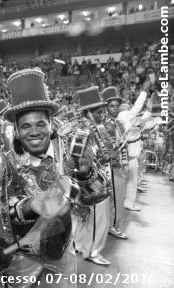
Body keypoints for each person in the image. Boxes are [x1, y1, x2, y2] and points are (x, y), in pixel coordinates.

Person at [0, 67, 77, 288]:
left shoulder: (66, 150)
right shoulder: (5, 160)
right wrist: (31, 205)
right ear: (17, 131)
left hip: (64, 251)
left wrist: (81, 179)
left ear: (51, 125)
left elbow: (86, 189)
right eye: (26, 126)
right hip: (23, 262)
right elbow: (3, 211)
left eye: (40, 123)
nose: (34, 131)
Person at [71, 86, 112, 266]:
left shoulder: (92, 127)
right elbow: (77, 161)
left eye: (102, 111)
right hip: (92, 185)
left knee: (88, 219)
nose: (102, 114)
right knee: (97, 220)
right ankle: (93, 251)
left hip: (95, 181)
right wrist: (90, 180)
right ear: (88, 112)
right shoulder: (83, 130)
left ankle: (82, 247)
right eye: (98, 111)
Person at [100, 86, 129, 240]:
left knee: (118, 197)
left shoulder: (118, 123)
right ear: (106, 107)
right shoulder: (104, 124)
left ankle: (111, 224)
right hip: (110, 166)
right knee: (116, 198)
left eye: (117, 106)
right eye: (112, 106)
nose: (115, 108)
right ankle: (114, 226)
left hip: (119, 164)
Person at [117, 81, 150, 211]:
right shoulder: (124, 115)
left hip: (130, 154)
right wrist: (144, 91)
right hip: (128, 155)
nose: (127, 106)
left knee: (129, 181)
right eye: (125, 105)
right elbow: (137, 107)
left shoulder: (128, 118)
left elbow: (141, 116)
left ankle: (126, 202)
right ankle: (127, 202)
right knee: (130, 180)